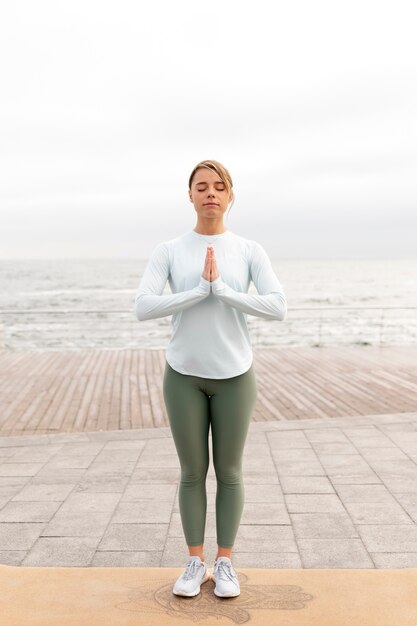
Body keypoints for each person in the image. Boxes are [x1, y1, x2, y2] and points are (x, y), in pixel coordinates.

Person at [133, 159, 287, 598]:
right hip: (183, 375)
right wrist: (199, 290)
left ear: (231, 194)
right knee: (191, 472)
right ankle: (194, 563)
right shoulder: (170, 249)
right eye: (201, 187)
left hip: (235, 375)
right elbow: (143, 306)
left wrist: (222, 290)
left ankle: (225, 564)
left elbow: (278, 307)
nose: (210, 194)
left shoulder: (249, 250)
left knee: (230, 472)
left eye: (219, 186)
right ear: (190, 195)